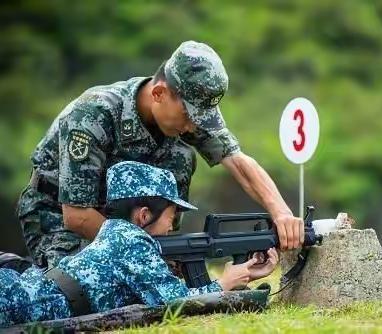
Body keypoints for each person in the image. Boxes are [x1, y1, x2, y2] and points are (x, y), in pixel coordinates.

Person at [15, 40, 302, 270]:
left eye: (200, 117)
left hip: (129, 224)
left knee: (180, 154)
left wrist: (281, 213)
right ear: (159, 94)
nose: (193, 126)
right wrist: (142, 253)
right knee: (84, 287)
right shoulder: (93, 115)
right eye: (189, 115)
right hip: (59, 214)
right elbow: (76, 216)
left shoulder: (185, 115)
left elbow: (237, 161)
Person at [0, 161, 279, 327]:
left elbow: (166, 291)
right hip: (18, 302)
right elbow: (174, 303)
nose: (172, 226)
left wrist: (242, 273)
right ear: (144, 215)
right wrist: (225, 283)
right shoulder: (131, 241)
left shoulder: (114, 232)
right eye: (171, 215)